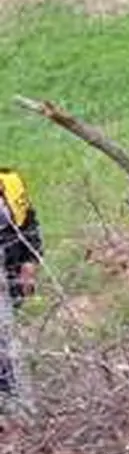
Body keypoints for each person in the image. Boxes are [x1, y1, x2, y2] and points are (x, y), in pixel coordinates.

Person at [0, 168, 41, 399]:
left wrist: (30, 261)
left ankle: (11, 400)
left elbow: (29, 224)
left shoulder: (10, 183)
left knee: (6, 339)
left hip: (10, 277)